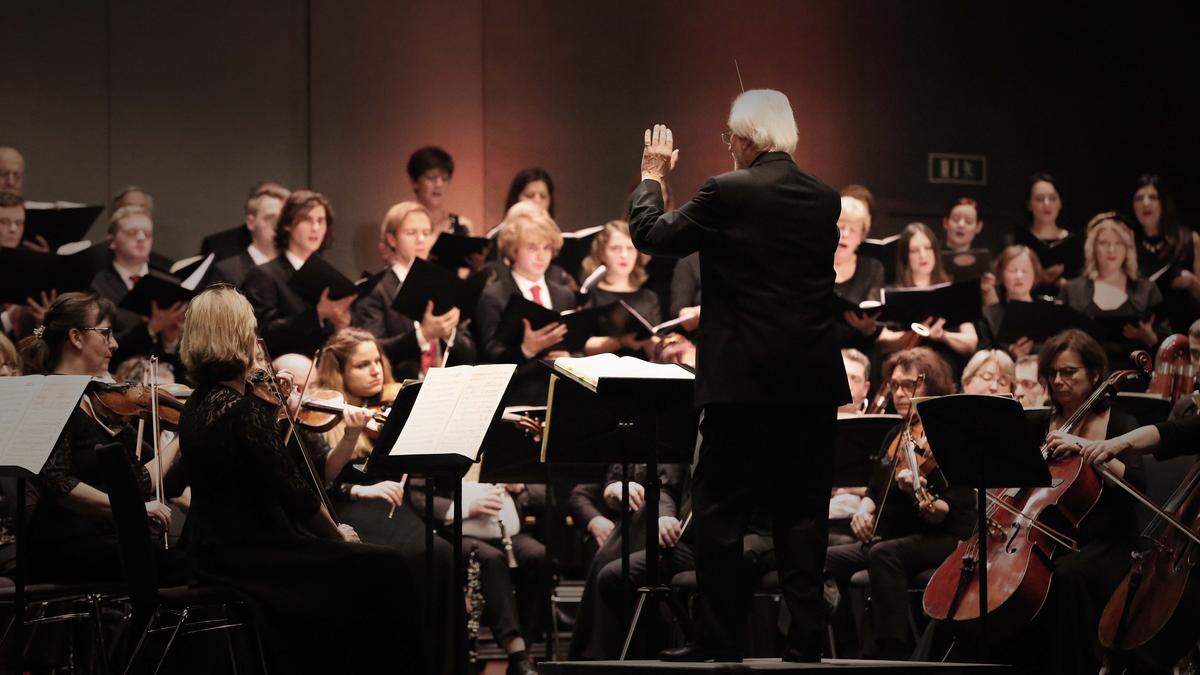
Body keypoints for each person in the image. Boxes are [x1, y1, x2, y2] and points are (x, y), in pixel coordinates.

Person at [628, 89, 849, 663]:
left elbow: (654, 237)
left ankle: (717, 640)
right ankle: (803, 643)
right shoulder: (825, 198)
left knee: (721, 512)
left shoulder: (726, 190)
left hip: (742, 383)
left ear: (748, 137)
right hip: (809, 384)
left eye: (730, 136)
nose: (728, 147)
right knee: (803, 515)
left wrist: (652, 175)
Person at [175, 286, 423, 673]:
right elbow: (297, 495)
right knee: (386, 566)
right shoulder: (242, 412)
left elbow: (180, 482)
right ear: (240, 336)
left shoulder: (196, 405)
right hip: (253, 557)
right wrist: (336, 534)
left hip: (212, 552)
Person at [993, 329, 1143, 674]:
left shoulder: (1120, 422)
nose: (1059, 381)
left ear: (1094, 374)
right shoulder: (1037, 423)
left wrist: (1086, 448)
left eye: (1069, 372)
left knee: (1065, 577)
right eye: (1053, 374)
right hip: (1044, 535)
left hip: (1106, 540)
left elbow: (1135, 484)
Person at [313, 327, 458, 675]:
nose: (376, 370)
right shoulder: (322, 413)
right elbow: (322, 481)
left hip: (392, 501)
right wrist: (358, 479)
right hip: (347, 505)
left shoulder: (397, 401)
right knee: (403, 560)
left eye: (377, 361)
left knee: (441, 553)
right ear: (341, 372)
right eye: (362, 365)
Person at [17, 292, 179, 582]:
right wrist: (133, 510)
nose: (114, 344)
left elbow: (141, 480)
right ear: (76, 338)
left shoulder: (97, 401)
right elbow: (59, 482)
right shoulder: (49, 397)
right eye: (105, 333)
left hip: (103, 537)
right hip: (67, 543)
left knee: (186, 558)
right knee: (181, 568)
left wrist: (184, 436)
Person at [824, 347, 973, 659]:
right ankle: (844, 646)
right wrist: (865, 508)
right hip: (895, 536)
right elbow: (875, 490)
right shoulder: (895, 432)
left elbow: (943, 512)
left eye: (909, 385)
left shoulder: (948, 433)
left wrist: (915, 493)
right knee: (821, 559)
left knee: (884, 554)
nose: (901, 393)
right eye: (895, 385)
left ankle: (892, 651)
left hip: (946, 537)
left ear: (932, 386)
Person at [351, 201, 475, 376]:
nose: (421, 239)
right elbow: (373, 350)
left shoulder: (441, 283)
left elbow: (469, 353)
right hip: (398, 390)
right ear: (392, 239)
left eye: (426, 233)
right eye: (411, 233)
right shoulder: (375, 289)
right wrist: (423, 335)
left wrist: (449, 334)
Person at [474, 206, 575, 405]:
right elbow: (488, 355)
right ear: (513, 250)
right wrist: (526, 349)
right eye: (532, 248)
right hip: (516, 398)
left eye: (546, 248)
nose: (541, 255)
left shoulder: (564, 295)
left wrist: (570, 357)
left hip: (559, 396)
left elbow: (577, 343)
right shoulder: (494, 295)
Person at [241, 190, 355, 357]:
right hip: (284, 371)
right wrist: (318, 314)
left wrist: (341, 324)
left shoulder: (327, 274)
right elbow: (264, 334)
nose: (316, 228)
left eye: (321, 221)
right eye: (307, 220)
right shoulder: (264, 274)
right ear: (287, 224)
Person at [1059, 212, 1164, 370]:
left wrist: (1150, 337)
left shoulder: (1146, 289)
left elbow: (1169, 346)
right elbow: (1058, 340)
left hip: (1136, 374)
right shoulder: (1072, 290)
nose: (1111, 249)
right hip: (1084, 376)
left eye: (1119, 243)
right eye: (1103, 243)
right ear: (1093, 248)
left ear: (1127, 249)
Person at [90, 205, 186, 368]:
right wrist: (151, 328)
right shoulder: (97, 285)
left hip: (166, 382)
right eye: (132, 233)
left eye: (147, 234)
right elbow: (98, 346)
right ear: (112, 241)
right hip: (117, 376)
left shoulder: (169, 281)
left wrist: (170, 340)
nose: (141, 237)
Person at [877, 222, 978, 372]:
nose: (923, 255)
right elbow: (882, 341)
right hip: (906, 369)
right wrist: (913, 333)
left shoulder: (952, 291)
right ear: (906, 256)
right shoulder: (893, 293)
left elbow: (971, 341)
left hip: (945, 370)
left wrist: (943, 336)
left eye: (928, 248)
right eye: (915, 251)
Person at [578, 219, 661, 358]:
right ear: (602, 253)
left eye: (630, 248)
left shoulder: (648, 297)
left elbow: (654, 348)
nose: (624, 255)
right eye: (615, 248)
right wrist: (621, 342)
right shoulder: (590, 293)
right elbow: (584, 346)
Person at [1130, 174, 1200, 333]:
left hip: (1184, 331)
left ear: (1163, 203)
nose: (1145, 203)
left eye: (1153, 197)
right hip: (1144, 332)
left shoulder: (1188, 239)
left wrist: (1191, 282)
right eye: (1139, 198)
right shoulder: (1128, 242)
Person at [205, 183, 289, 287]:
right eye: (270, 218)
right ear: (251, 222)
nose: (278, 225)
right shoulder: (227, 272)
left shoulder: (293, 270)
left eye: (284, 219)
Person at [834, 195, 886, 351]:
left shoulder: (872, 268)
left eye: (853, 230)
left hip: (857, 350)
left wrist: (867, 327)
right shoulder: (814, 262)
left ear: (861, 237)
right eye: (841, 227)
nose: (846, 234)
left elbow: (873, 315)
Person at [977, 245, 1048, 357]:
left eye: (1025, 271)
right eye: (1013, 270)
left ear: (1035, 274)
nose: (1019, 276)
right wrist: (1010, 352)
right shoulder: (989, 315)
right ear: (1001, 274)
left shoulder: (1047, 311)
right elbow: (983, 354)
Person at [1020, 172, 1083, 288]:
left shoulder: (1074, 243)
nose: (1047, 204)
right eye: (1039, 199)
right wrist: (1040, 277)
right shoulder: (1018, 240)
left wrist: (1064, 284)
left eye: (1053, 198)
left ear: (1060, 203)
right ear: (1029, 204)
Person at [407, 146, 476, 236]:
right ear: (414, 182)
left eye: (444, 178)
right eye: (431, 177)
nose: (439, 184)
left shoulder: (462, 226)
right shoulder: (402, 225)